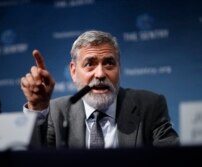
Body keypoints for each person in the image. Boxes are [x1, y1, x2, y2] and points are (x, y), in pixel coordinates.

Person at [20, 30, 179, 149]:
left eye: (109, 63)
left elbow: (172, 159)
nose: (101, 74)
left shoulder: (149, 106)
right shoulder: (56, 112)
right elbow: (35, 159)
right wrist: (38, 106)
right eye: (90, 64)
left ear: (119, 68)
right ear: (73, 72)